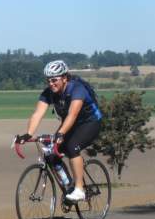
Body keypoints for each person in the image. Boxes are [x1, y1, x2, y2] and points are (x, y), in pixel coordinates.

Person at [16, 60, 102, 201]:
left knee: (72, 147)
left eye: (54, 80)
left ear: (64, 78)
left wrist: (60, 134)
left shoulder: (77, 89)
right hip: (70, 124)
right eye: (48, 80)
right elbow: (37, 114)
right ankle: (69, 187)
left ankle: (80, 189)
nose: (51, 84)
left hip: (90, 123)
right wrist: (28, 134)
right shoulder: (49, 93)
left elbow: (72, 115)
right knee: (50, 153)